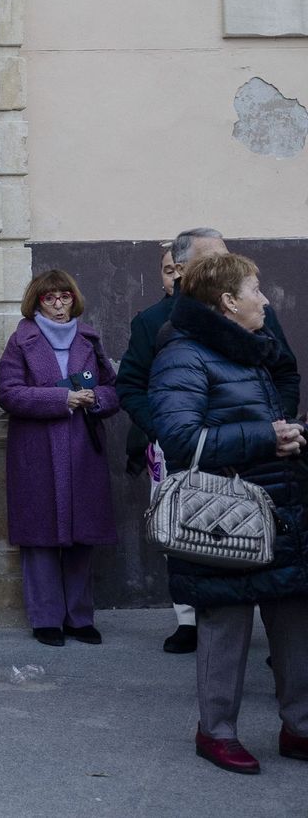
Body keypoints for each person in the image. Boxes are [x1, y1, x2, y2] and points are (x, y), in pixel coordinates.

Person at [149, 252, 308, 774]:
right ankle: (216, 732)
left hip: (280, 505)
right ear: (227, 302)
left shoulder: (251, 349)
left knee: (294, 623)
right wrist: (266, 436)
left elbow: (267, 414)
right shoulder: (183, 355)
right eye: (255, 290)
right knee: (225, 625)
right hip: (221, 517)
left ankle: (299, 728)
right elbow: (180, 439)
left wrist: (290, 436)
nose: (265, 300)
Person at [119, 227, 300, 655]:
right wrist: (165, 429)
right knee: (201, 540)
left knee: (276, 552)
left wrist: (274, 423)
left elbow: (284, 372)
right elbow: (131, 385)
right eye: (210, 258)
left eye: (224, 254)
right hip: (196, 456)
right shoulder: (155, 322)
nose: (221, 263)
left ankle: (281, 649)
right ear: (181, 270)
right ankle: (190, 622)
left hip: (266, 456)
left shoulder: (259, 312)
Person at [0, 269, 120, 647]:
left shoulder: (88, 339)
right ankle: (46, 618)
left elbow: (113, 389)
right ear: (37, 302)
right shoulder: (22, 341)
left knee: (82, 536)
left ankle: (80, 618)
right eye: (49, 298)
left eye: (65, 296)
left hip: (83, 449)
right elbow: (9, 393)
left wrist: (96, 399)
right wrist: (61, 398)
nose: (59, 305)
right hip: (37, 451)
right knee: (41, 537)